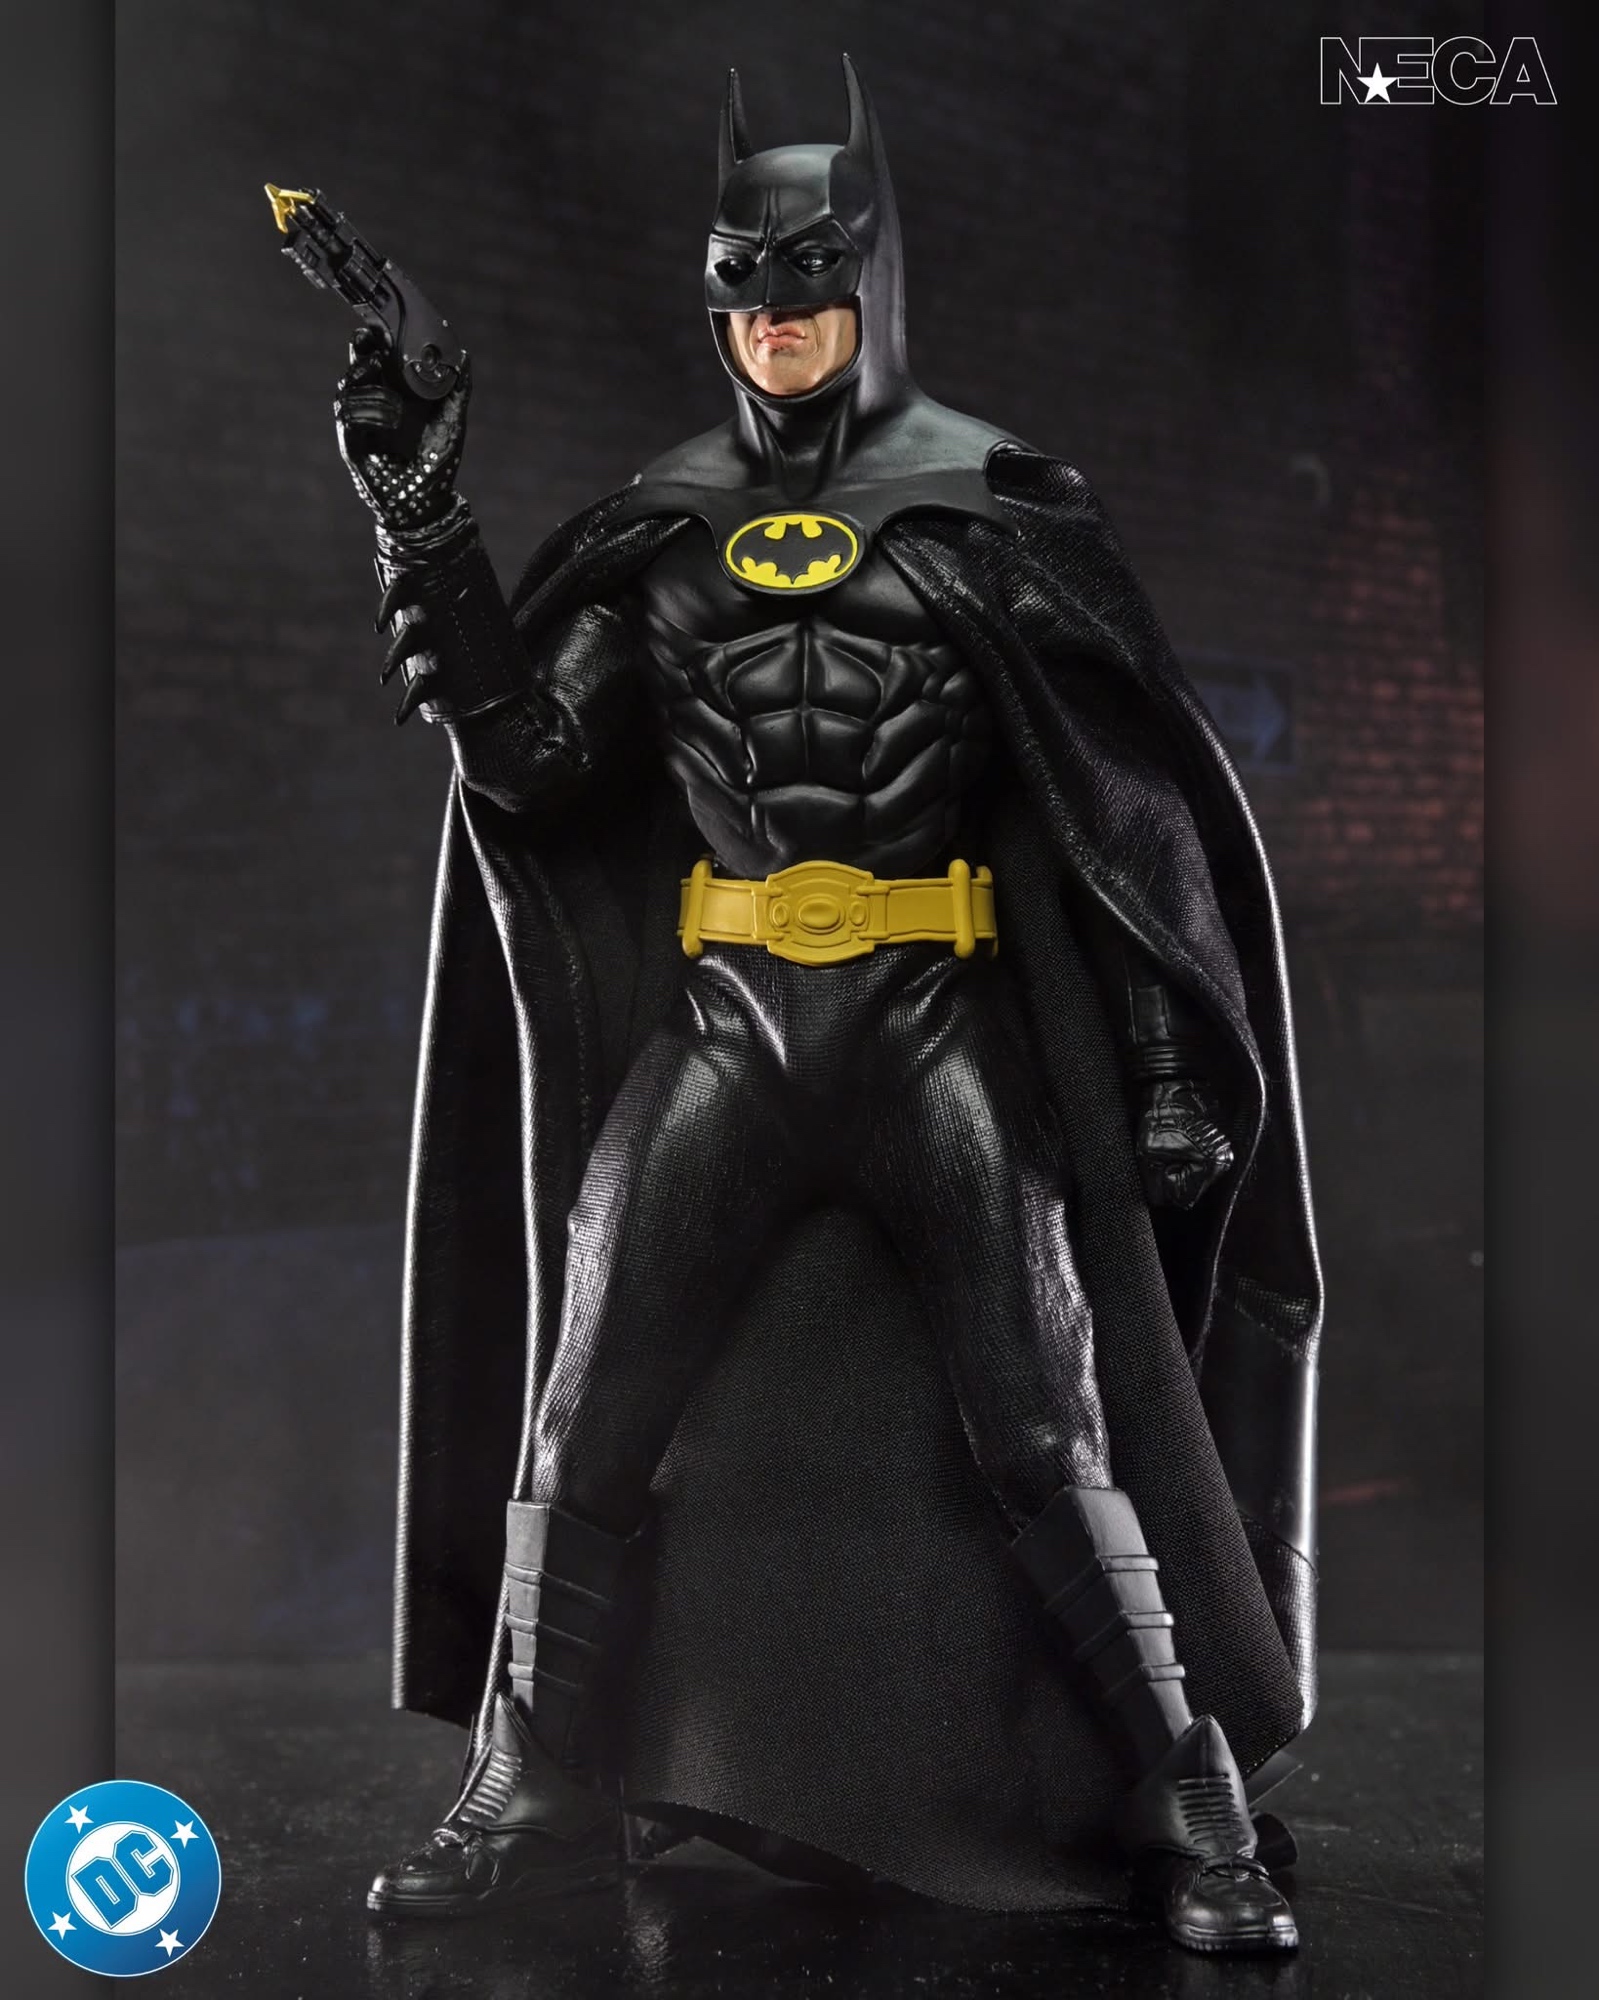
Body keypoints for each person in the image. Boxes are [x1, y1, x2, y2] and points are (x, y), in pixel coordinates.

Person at [328, 58, 1322, 1955]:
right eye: (747, 299)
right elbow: (531, 766)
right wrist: (426, 526)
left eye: (809, 292)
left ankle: (1180, 1791)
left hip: (933, 1012)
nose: (777, 328)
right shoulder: (662, 532)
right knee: (586, 1409)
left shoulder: (993, 508)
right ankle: (532, 1786)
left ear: (873, 286)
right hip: (732, 1021)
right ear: (715, 307)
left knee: (1045, 1426)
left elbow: (1120, 807)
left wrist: (1169, 1059)